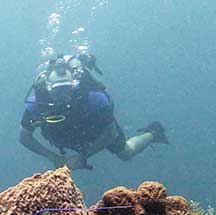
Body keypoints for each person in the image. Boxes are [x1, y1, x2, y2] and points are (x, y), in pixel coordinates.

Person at [18, 53, 167, 170]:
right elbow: (24, 137)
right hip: (63, 135)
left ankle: (153, 133)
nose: (63, 97)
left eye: (66, 90)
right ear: (48, 89)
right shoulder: (38, 101)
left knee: (126, 153)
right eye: (58, 91)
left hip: (95, 130)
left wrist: (83, 156)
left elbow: (111, 133)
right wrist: (53, 158)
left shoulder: (94, 97)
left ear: (74, 86)